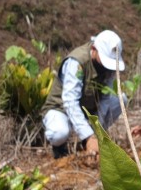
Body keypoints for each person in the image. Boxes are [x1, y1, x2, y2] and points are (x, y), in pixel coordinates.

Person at [41, 30, 127, 159]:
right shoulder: (77, 62)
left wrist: (97, 133)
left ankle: (91, 141)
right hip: (61, 108)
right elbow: (70, 101)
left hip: (87, 109)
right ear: (94, 49)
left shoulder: (108, 68)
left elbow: (105, 98)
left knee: (121, 99)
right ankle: (60, 148)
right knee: (59, 133)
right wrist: (87, 136)